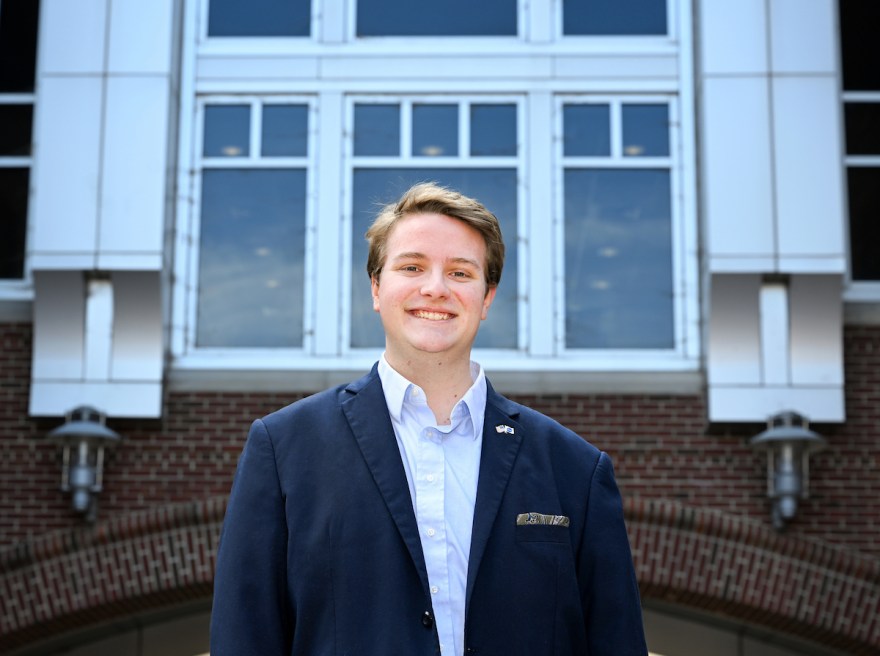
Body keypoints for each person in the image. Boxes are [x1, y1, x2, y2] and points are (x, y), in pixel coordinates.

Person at [210, 182, 648, 655]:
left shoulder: (576, 470)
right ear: (377, 288)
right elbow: (244, 637)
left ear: (487, 298)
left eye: (460, 272)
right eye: (412, 267)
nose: (435, 288)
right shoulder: (283, 449)